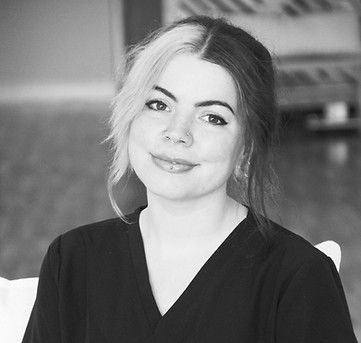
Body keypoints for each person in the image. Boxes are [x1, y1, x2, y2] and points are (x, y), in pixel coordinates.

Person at [23, 15, 357, 342]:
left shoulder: (299, 277)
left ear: (247, 147)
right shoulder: (71, 261)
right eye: (158, 104)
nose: (177, 133)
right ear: (129, 116)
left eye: (212, 117)